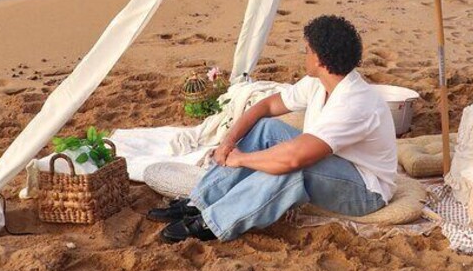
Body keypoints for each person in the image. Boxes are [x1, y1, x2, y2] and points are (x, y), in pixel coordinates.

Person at [148, 15, 398, 243]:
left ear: (320, 60)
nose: (305, 56)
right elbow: (266, 106)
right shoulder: (319, 82)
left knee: (293, 168)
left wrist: (242, 160)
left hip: (365, 190)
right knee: (266, 128)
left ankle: (214, 222)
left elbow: (292, 159)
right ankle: (200, 202)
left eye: (307, 51)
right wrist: (229, 141)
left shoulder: (355, 102)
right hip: (334, 163)